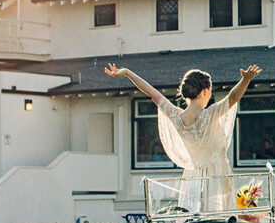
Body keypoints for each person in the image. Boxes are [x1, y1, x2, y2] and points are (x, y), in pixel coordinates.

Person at [105, 63, 261, 211]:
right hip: (217, 175)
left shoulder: (177, 117)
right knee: (220, 222)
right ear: (205, 91)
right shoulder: (211, 114)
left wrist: (127, 72)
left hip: (192, 179)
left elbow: (152, 93)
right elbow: (232, 98)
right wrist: (245, 79)